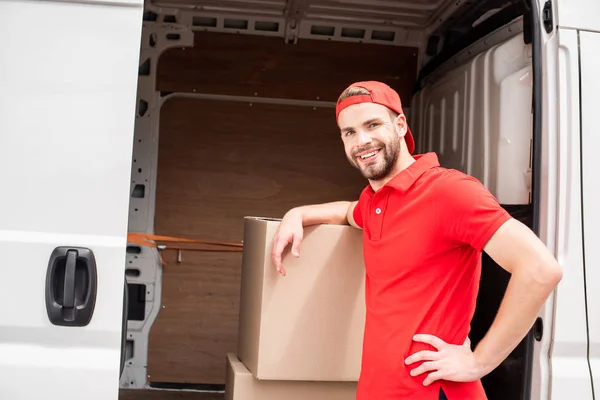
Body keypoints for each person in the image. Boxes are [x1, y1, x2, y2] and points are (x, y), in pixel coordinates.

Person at [270, 81, 563, 400]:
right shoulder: (375, 201)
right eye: (349, 132)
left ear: (399, 125)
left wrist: (479, 362)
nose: (362, 140)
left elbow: (540, 269)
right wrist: (298, 213)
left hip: (434, 392)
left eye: (372, 124)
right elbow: (347, 212)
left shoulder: (449, 191)